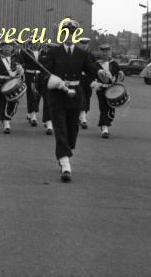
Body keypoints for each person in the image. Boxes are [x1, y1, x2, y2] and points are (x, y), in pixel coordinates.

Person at [44, 19, 98, 182]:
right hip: (58, 96)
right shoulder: (53, 53)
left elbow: (92, 69)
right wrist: (55, 82)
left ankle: (65, 152)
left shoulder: (82, 54)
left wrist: (102, 75)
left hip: (75, 95)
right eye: (65, 33)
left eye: (72, 33)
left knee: (72, 130)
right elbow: (44, 73)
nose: (69, 36)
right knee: (60, 129)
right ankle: (65, 164)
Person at [0, 42, 24, 134]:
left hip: (13, 84)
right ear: (2, 49)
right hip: (2, 84)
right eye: (5, 47)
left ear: (12, 48)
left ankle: (7, 119)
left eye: (9, 47)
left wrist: (21, 71)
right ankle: (6, 124)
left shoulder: (17, 58)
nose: (7, 49)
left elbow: (22, 71)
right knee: (2, 103)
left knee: (12, 103)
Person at [93, 44, 124, 138]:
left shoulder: (113, 63)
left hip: (112, 89)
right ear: (100, 52)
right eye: (103, 51)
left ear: (109, 52)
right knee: (103, 108)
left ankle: (106, 123)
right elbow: (93, 75)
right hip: (101, 89)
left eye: (106, 51)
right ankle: (104, 128)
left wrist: (120, 75)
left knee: (111, 111)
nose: (105, 53)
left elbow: (120, 74)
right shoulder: (97, 64)